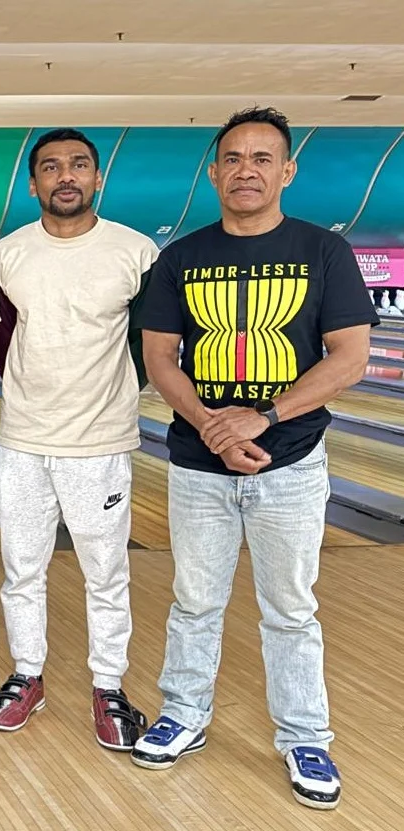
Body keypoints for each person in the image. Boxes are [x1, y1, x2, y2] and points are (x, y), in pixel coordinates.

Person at [133, 107, 376, 810]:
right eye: (233, 158)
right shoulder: (181, 256)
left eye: (261, 158)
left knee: (290, 610)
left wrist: (261, 416)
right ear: (212, 172)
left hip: (292, 463)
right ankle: (183, 714)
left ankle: (304, 735)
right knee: (194, 601)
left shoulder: (322, 252)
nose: (246, 170)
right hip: (196, 464)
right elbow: (158, 357)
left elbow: (352, 358)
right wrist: (211, 424)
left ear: (286, 171)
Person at [0, 128, 155, 750]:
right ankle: (28, 674)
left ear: (98, 177)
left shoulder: (135, 253)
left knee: (106, 573)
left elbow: (150, 341)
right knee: (20, 571)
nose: (66, 176)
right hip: (23, 441)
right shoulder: (6, 253)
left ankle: (108, 686)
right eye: (51, 167)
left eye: (79, 165)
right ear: (33, 184)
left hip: (101, 444)